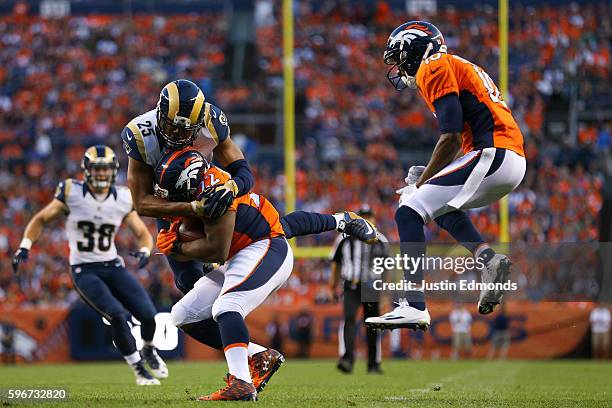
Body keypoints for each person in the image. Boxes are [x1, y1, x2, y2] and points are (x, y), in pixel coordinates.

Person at [153, 147, 379, 401]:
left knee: (227, 306)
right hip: (242, 255)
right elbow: (291, 223)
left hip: (267, 247)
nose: (170, 198)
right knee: (182, 314)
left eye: (173, 190)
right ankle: (260, 356)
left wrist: (179, 246)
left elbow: (217, 250)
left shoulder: (216, 192)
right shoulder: (203, 195)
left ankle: (241, 383)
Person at [366, 21, 526, 331]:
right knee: (437, 206)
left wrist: (424, 179)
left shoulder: (433, 65)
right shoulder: (454, 64)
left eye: (399, 57)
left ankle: (412, 304)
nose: (398, 66)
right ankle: (488, 260)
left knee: (410, 207)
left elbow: (450, 138)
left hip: (493, 154)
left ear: (415, 49)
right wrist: (428, 175)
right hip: (505, 158)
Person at [12, 145, 166, 385]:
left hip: (113, 266)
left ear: (113, 171)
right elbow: (42, 218)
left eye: (106, 170)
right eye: (98, 169)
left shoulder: (122, 196)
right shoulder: (72, 192)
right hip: (85, 270)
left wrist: (146, 249)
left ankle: (148, 349)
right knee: (117, 315)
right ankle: (139, 369)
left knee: (148, 315)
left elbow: (141, 232)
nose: (102, 174)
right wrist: (25, 244)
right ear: (87, 170)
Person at [330, 205, 389, 374]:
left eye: (369, 216)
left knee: (373, 324)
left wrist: (385, 292)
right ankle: (347, 359)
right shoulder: (344, 238)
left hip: (371, 286)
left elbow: (387, 267)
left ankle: (374, 363)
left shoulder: (380, 239)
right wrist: (333, 285)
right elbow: (336, 263)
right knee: (349, 319)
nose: (367, 219)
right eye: (363, 216)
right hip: (351, 284)